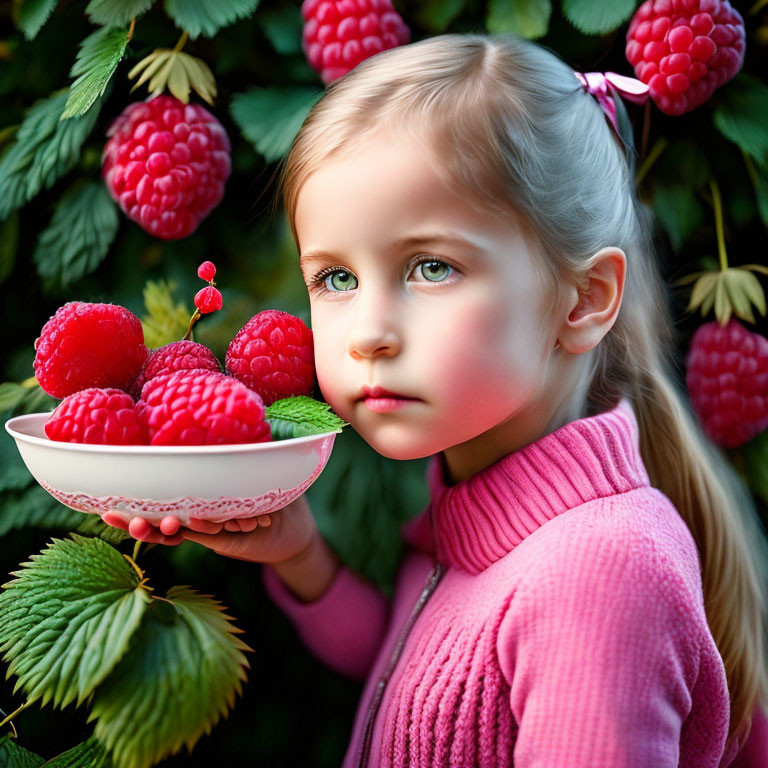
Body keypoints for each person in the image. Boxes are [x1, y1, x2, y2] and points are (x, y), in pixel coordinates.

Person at [104, 33, 768, 768]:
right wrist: (299, 553)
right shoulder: (480, 506)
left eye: (430, 266)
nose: (368, 335)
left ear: (583, 299)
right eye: (336, 279)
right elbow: (417, 680)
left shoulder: (600, 573)